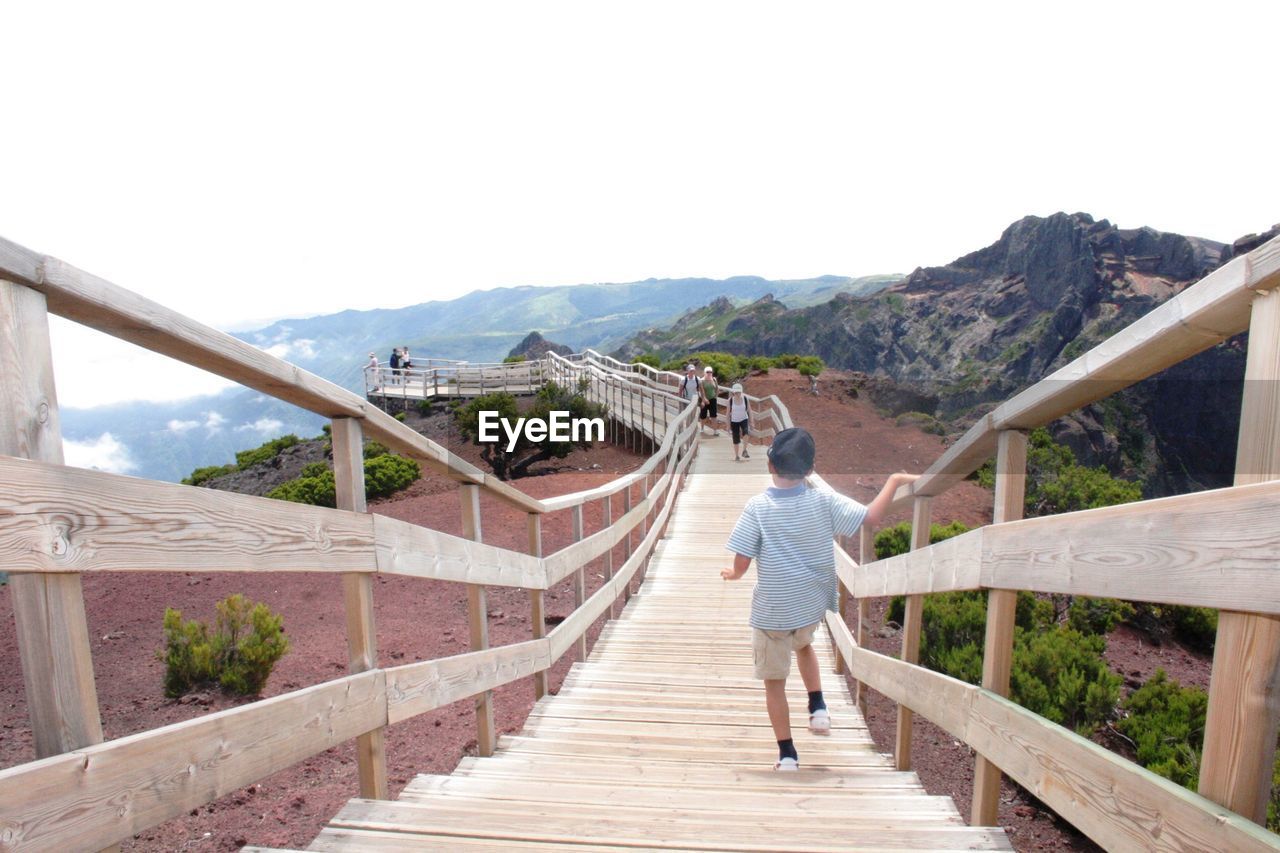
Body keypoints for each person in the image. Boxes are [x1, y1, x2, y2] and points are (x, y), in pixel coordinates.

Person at [722, 427, 920, 771]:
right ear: (811, 471)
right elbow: (870, 517)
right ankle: (818, 707)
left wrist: (735, 574)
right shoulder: (823, 501)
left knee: (774, 684)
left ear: (769, 465)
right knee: (804, 645)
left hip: (772, 611)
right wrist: (894, 480)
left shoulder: (757, 507)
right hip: (810, 605)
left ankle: (787, 754)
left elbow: (742, 559)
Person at [728, 383, 750, 461]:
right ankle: (737, 455)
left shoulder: (745, 398)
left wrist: (752, 422)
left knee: (746, 432)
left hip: (744, 418)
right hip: (734, 421)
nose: (738, 393)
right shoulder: (730, 400)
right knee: (736, 438)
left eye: (739, 392)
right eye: (736, 392)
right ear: (734, 392)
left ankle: (744, 450)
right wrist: (728, 426)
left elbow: (749, 411)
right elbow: (728, 414)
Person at [700, 366, 720, 436]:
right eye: (707, 372)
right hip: (704, 399)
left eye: (710, 372)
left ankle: (715, 430)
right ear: (704, 373)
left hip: (713, 399)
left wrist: (715, 397)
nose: (709, 373)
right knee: (703, 415)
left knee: (714, 415)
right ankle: (702, 428)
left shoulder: (714, 379)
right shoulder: (701, 380)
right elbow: (701, 391)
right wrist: (704, 399)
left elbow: (717, 389)